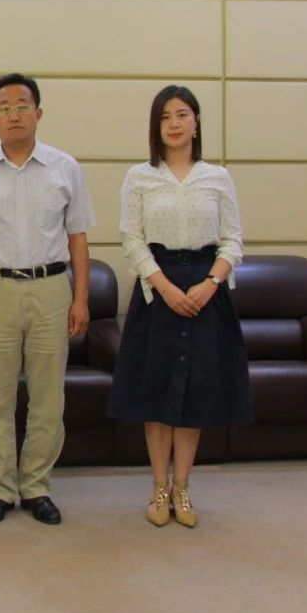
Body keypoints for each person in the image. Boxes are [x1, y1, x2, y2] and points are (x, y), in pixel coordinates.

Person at [106, 84, 252, 527]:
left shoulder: (217, 177)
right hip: (158, 288)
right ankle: (158, 488)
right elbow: (131, 238)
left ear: (196, 122)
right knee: (157, 391)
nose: (174, 123)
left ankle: (182, 488)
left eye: (182, 114)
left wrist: (212, 283)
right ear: (156, 126)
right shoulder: (140, 177)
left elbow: (233, 240)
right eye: (165, 116)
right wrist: (165, 287)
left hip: (207, 289)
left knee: (195, 393)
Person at [0, 73, 95, 526]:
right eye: (5, 107)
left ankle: (36, 485)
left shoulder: (64, 167)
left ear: (38, 113)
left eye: (22, 106)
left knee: (48, 397)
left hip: (51, 289)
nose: (13, 114)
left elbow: (78, 238)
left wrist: (81, 298)